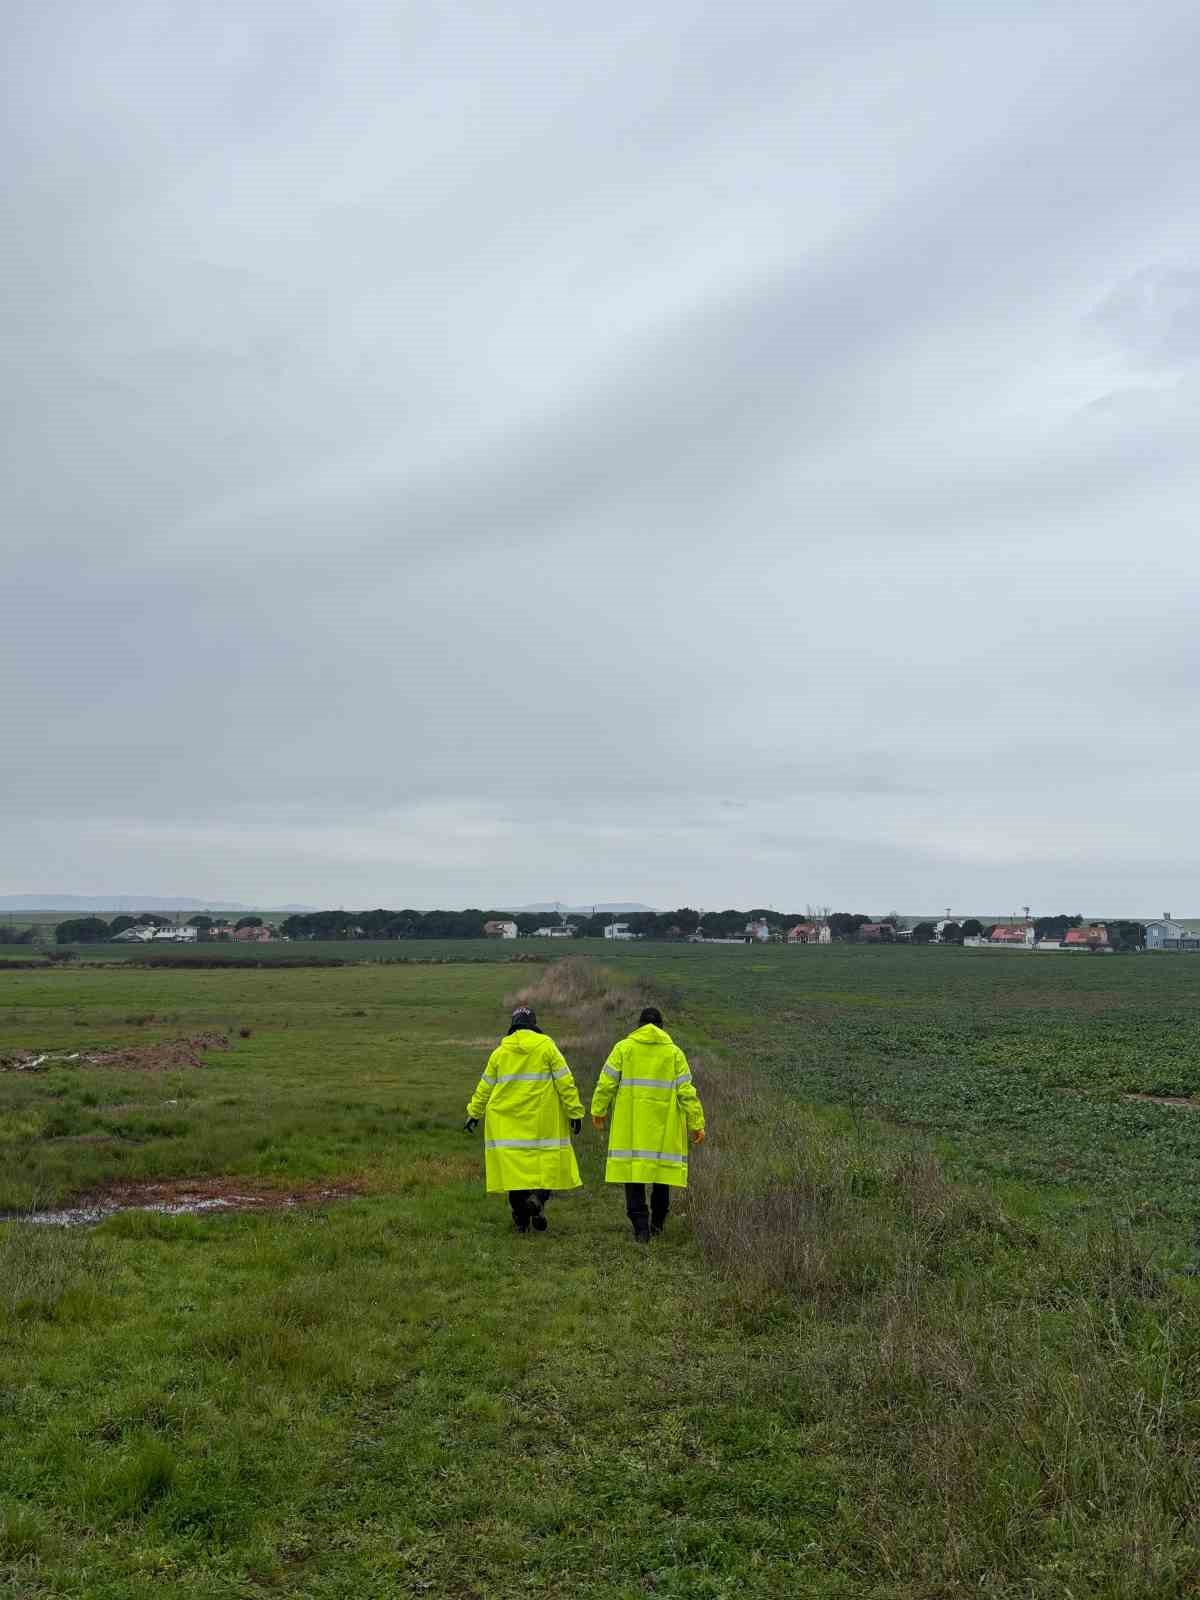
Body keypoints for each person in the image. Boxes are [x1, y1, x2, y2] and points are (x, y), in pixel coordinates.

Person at [590, 1005, 705, 1243]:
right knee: (661, 1178)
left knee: (633, 1177)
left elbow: (606, 1083)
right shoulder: (674, 1054)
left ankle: (640, 1227)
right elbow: (687, 1092)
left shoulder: (623, 1048)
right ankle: (658, 1224)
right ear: (662, 1027)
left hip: (631, 1128)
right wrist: (697, 1123)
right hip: (665, 1128)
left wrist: (598, 1110)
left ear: (639, 1026)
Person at [465, 1004, 584, 1232]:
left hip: (507, 1124)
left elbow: (485, 1087)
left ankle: (521, 1221)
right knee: (545, 1169)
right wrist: (575, 1112)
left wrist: (474, 1113)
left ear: (513, 1026)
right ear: (534, 1025)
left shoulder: (500, 1053)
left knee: (515, 1176)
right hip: (543, 1122)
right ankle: (538, 1200)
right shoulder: (547, 1047)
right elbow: (565, 1082)